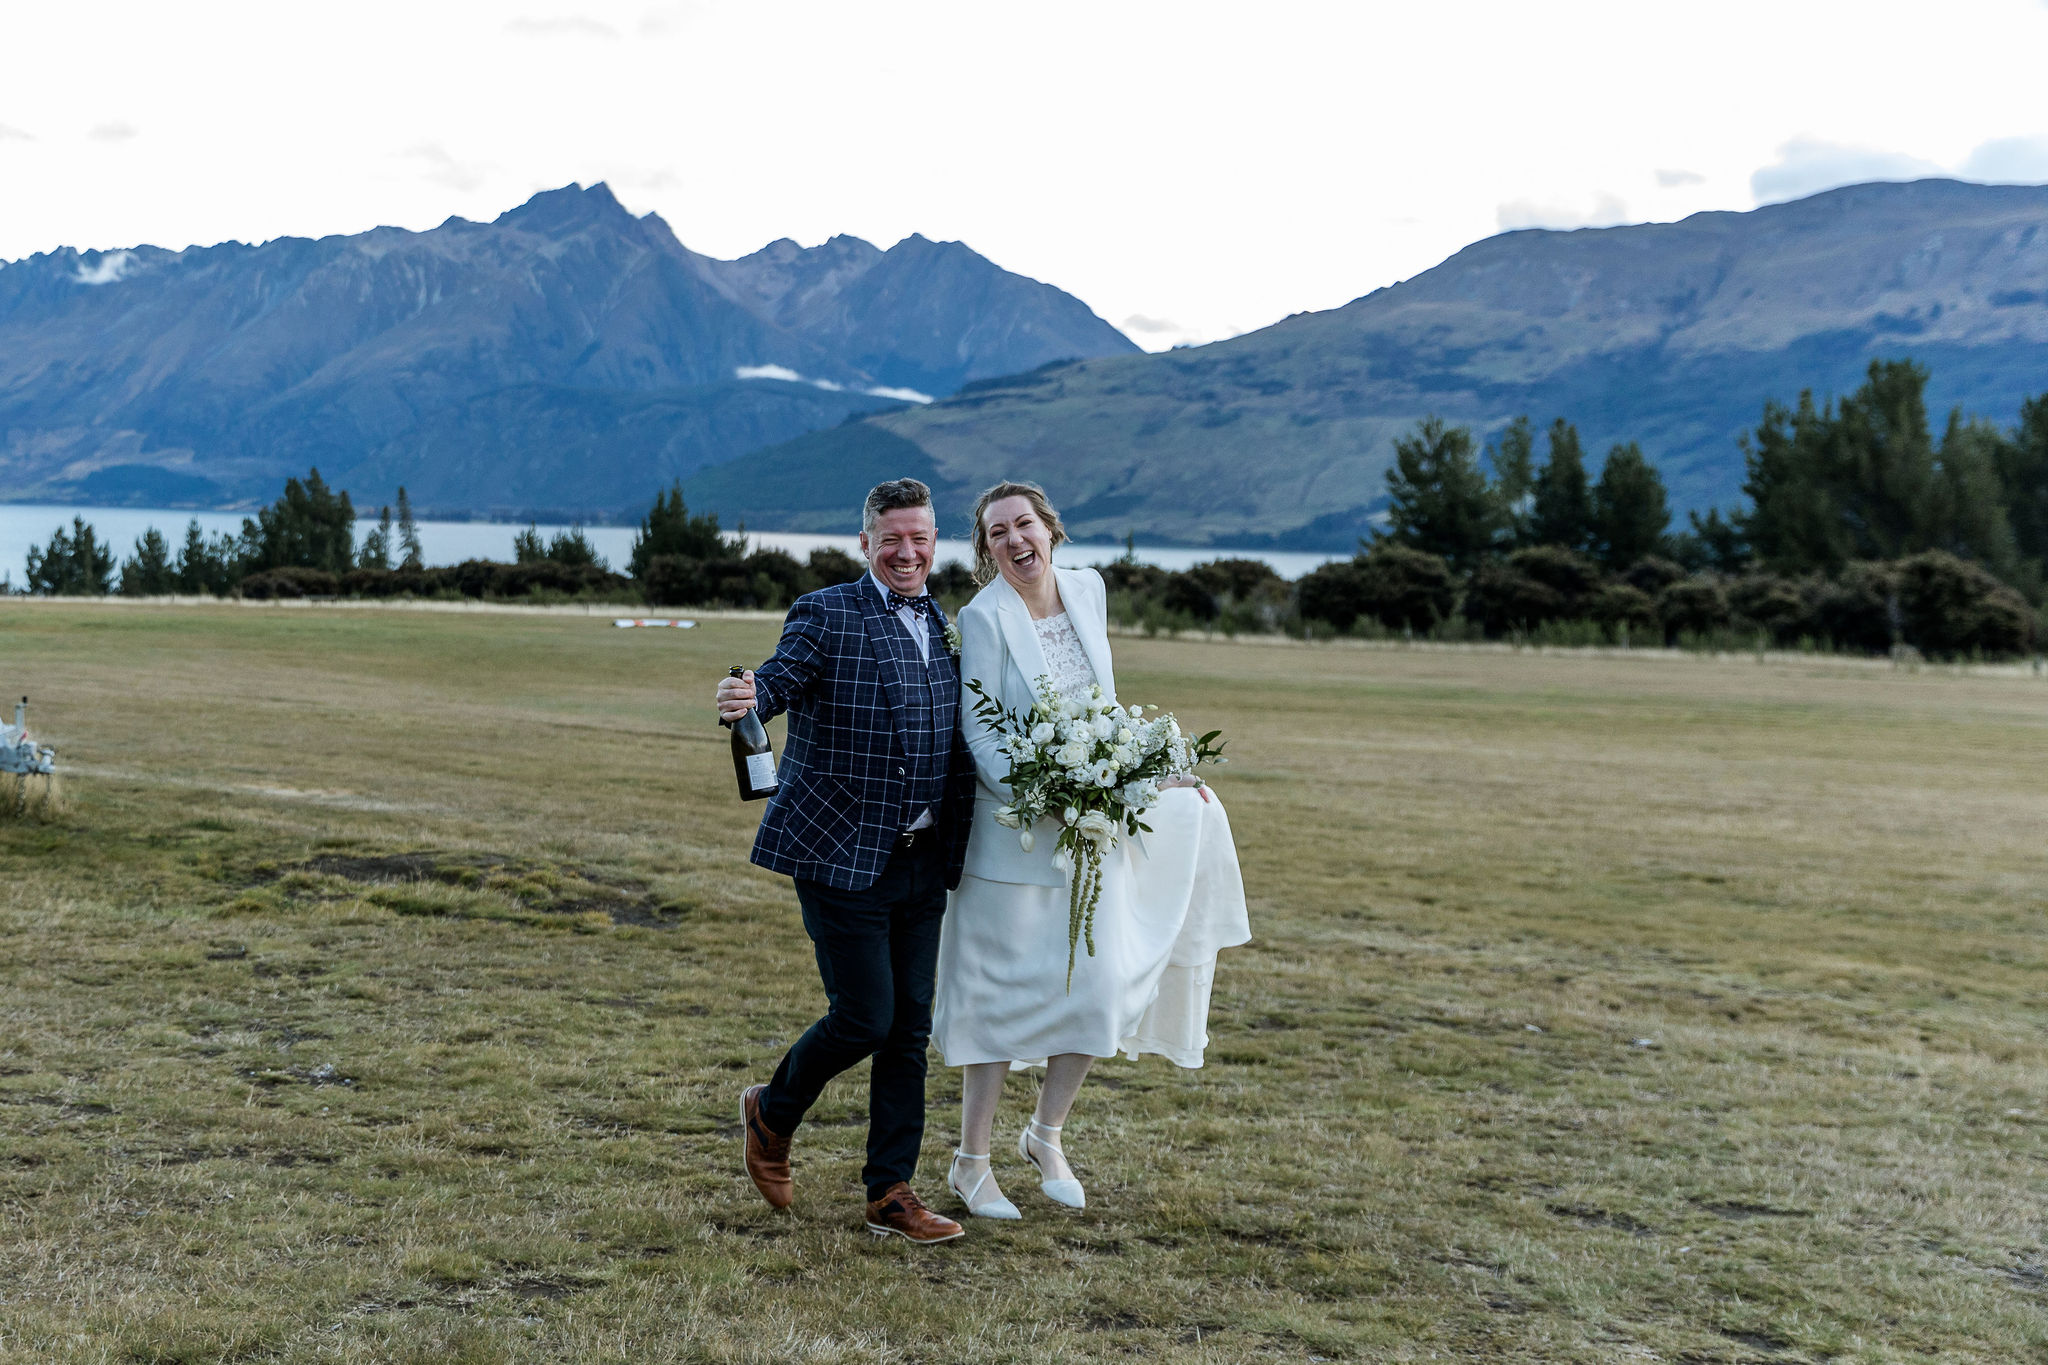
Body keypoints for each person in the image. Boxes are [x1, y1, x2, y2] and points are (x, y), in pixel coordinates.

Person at [931, 481, 1250, 1220]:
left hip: (1092, 834)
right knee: (997, 1002)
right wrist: (1045, 792)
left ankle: (1045, 1134)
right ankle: (970, 1163)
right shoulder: (982, 618)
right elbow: (979, 732)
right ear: (988, 552)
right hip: (1011, 835)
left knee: (1097, 989)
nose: (1014, 540)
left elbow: (1104, 710)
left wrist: (1154, 771)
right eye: (997, 534)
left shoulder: (1089, 591)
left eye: (1024, 524)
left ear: (1050, 529)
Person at [713, 478, 977, 1245]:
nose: (906, 552)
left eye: (920, 538)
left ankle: (891, 1192)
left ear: (935, 544)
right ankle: (772, 1110)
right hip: (837, 850)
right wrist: (749, 698)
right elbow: (779, 678)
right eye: (891, 538)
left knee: (909, 1029)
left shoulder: (949, 625)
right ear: (866, 542)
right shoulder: (826, 612)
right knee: (866, 1013)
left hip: (924, 858)